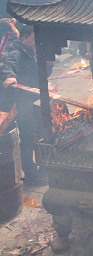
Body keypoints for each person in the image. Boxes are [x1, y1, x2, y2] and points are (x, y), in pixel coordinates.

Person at [0, 23, 46, 186]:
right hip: (22, 104)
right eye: (33, 38)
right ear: (23, 39)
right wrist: (10, 77)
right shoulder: (16, 52)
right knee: (27, 139)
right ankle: (31, 176)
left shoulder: (35, 53)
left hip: (36, 102)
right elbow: (8, 67)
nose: (36, 41)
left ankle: (43, 170)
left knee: (42, 135)